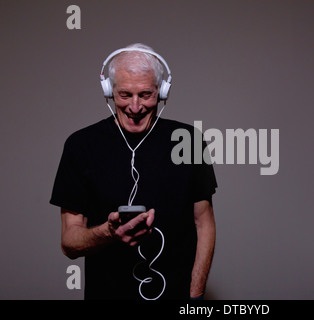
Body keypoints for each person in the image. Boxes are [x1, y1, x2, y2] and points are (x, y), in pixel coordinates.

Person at [50, 43, 217, 300]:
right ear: (108, 91)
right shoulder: (80, 146)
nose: (136, 107)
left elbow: (203, 224)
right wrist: (108, 232)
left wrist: (194, 296)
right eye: (125, 95)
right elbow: (69, 243)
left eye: (146, 94)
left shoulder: (190, 141)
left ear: (162, 92)